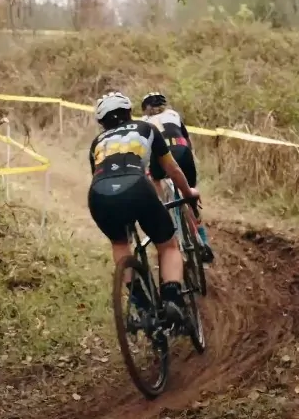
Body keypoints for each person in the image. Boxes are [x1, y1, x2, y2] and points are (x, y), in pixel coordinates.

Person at [87, 91, 200, 326]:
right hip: (137, 187)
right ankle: (171, 300)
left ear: (101, 122)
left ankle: (140, 301)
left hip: (99, 194)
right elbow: (173, 170)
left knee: (120, 243)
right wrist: (189, 193)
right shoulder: (145, 128)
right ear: (129, 112)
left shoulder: (97, 143)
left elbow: (100, 175)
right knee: (168, 245)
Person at [140, 91, 215, 262]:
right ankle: (202, 238)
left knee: (155, 179)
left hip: (161, 156)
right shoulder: (174, 114)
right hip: (183, 152)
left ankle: (163, 207)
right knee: (189, 194)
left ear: (146, 109)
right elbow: (187, 140)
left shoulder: (143, 122)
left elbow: (144, 150)